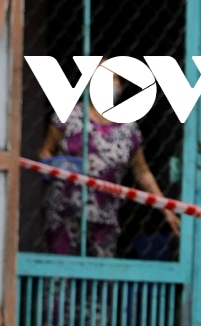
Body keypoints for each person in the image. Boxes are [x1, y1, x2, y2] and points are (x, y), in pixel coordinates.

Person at [37, 73, 180, 256]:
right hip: (64, 212)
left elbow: (142, 172)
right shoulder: (69, 116)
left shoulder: (128, 128)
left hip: (104, 218)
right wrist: (53, 166)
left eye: (114, 78)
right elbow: (46, 151)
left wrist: (166, 209)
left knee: (97, 279)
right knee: (59, 275)